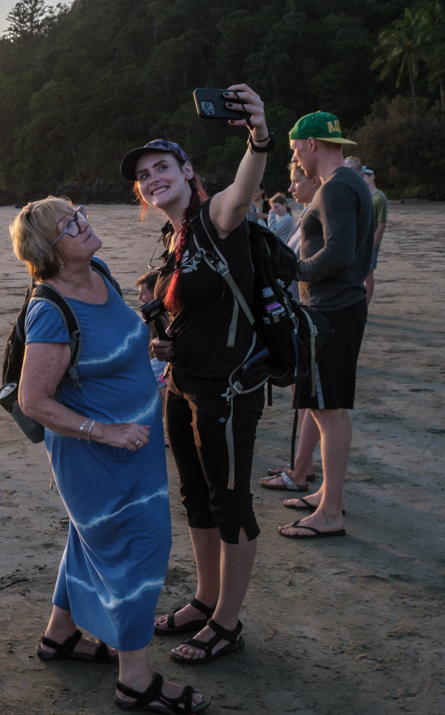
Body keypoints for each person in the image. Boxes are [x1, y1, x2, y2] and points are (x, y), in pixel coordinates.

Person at [10, 198, 209, 715]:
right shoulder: (49, 311)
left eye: (78, 214)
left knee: (91, 540)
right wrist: (106, 432)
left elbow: (106, 347)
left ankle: (60, 636)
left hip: (134, 448)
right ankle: (135, 680)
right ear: (49, 253)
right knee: (139, 551)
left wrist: (146, 351)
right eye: (70, 225)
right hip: (99, 455)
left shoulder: (97, 270)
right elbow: (34, 400)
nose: (85, 224)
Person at [120, 82, 271, 667]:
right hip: (182, 383)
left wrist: (258, 136)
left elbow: (245, 187)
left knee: (230, 501)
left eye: (163, 166)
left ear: (186, 170)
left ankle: (228, 625)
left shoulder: (215, 218)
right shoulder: (172, 237)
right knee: (196, 496)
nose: (153, 177)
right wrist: (163, 338)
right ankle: (207, 600)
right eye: (144, 174)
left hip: (229, 388)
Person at [279, 111, 374, 539]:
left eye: (295, 146)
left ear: (311, 143)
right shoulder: (350, 181)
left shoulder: (336, 188)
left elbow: (340, 253)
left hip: (331, 311)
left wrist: (294, 270)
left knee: (328, 410)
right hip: (340, 307)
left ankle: (331, 511)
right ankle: (327, 494)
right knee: (325, 408)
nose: (295, 155)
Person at [261, 162, 323, 494]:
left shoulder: (319, 212)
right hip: (304, 310)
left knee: (312, 395)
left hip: (313, 313)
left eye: (296, 180)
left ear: (314, 180)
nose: (291, 187)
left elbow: (300, 262)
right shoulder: (307, 214)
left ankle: (300, 470)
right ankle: (303, 463)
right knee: (305, 393)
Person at [136, 271, 169, 440]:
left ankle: (171, 432)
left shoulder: (161, 315)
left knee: (155, 378)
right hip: (160, 361)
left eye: (143, 293)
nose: (140, 298)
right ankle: (169, 431)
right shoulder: (160, 312)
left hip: (163, 362)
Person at [362, 166, 387, 304]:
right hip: (361, 242)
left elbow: (382, 224)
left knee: (368, 275)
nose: (363, 178)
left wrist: (373, 244)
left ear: (372, 177)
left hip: (371, 243)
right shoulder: (364, 195)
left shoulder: (380, 198)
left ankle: (365, 305)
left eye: (365, 175)